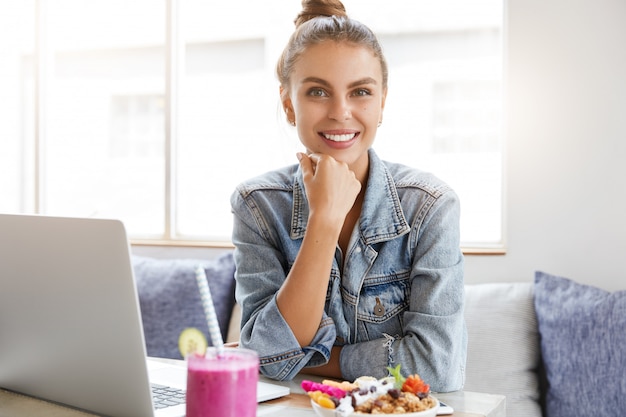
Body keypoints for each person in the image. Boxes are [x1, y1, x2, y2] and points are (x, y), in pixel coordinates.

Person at [230, 0, 466, 392]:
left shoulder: (430, 207)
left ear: (382, 103)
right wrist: (324, 217)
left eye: (360, 92)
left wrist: (311, 360)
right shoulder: (258, 206)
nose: (341, 112)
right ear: (289, 105)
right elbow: (267, 354)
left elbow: (435, 366)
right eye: (318, 91)